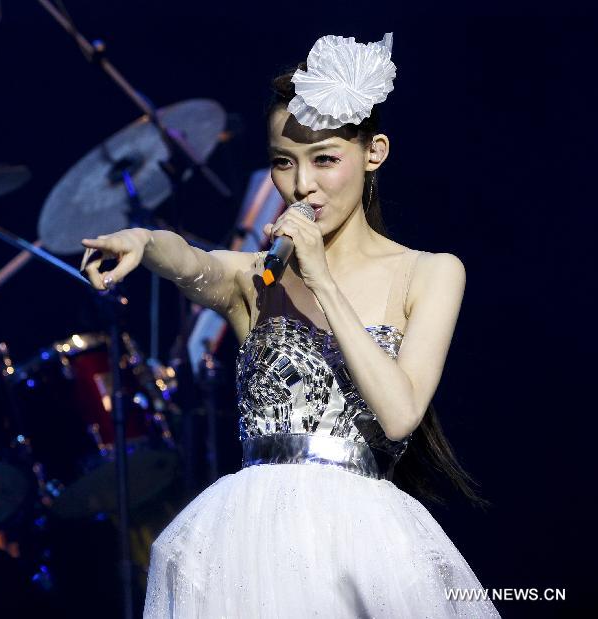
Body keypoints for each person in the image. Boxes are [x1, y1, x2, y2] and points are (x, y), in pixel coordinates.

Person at [82, 34, 500, 617]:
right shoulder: (257, 278)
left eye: (325, 159)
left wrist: (324, 280)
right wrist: (146, 242)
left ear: (374, 152)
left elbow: (401, 414)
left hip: (364, 544)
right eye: (284, 162)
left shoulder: (428, 273)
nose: (303, 185)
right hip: (248, 544)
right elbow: (194, 261)